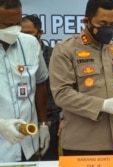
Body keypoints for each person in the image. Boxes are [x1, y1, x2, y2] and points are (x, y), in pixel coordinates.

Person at [49, 0, 113, 157]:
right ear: (86, 21)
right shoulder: (65, 49)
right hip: (83, 145)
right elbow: (62, 94)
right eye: (102, 23)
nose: (108, 28)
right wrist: (102, 105)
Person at [0, 0, 50, 162]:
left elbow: (40, 83)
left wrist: (43, 124)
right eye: (7, 25)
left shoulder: (31, 44)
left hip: (28, 143)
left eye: (17, 23)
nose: (14, 30)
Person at [21, 14, 61, 161]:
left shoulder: (55, 55)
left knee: (49, 160)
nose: (23, 38)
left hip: (50, 120)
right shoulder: (16, 55)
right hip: (24, 122)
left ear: (40, 32)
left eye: (28, 34)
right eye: (20, 33)